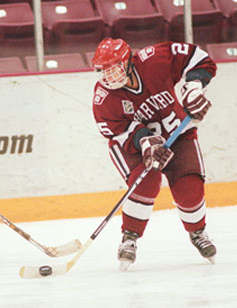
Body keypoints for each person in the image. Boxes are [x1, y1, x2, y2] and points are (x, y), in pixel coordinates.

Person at [91, 38, 217, 271]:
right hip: (133, 146)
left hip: (177, 135)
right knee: (147, 181)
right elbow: (116, 133)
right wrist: (145, 141)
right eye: (103, 71)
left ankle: (197, 232)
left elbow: (199, 59)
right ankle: (129, 238)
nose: (109, 76)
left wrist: (194, 87)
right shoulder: (104, 98)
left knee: (189, 187)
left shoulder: (155, 59)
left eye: (114, 68)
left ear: (129, 62)